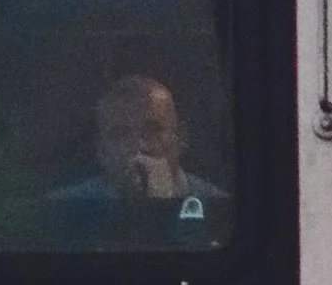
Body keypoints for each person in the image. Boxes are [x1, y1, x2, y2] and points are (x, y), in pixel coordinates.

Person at [44, 68, 229, 245]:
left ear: (181, 139)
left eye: (152, 131)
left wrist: (165, 207)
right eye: (120, 134)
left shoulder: (220, 208)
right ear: (101, 151)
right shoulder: (63, 210)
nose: (138, 146)